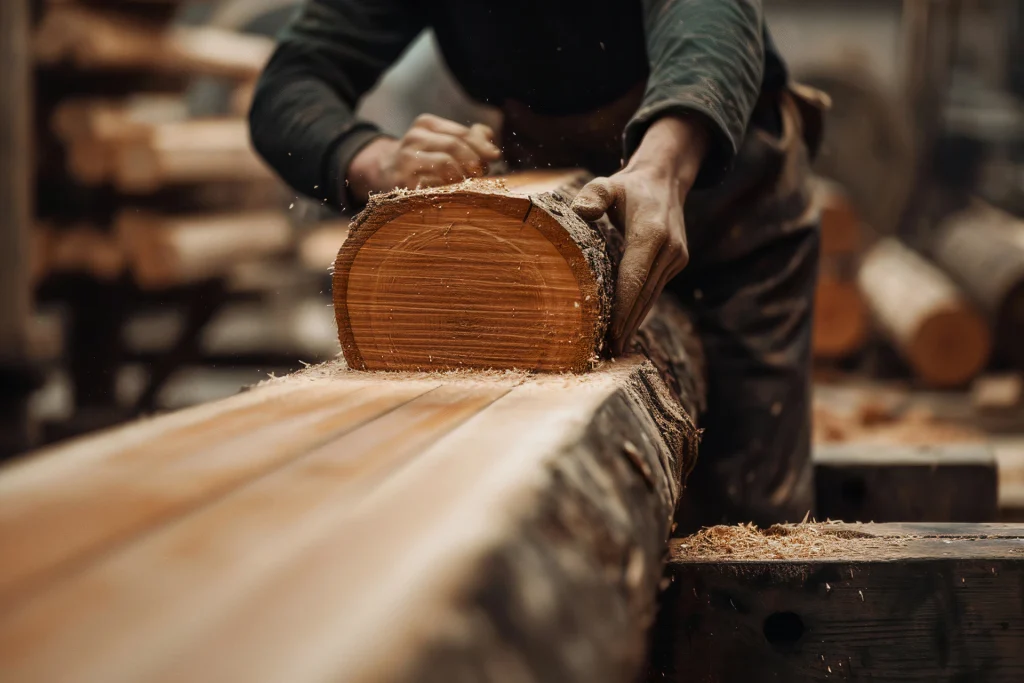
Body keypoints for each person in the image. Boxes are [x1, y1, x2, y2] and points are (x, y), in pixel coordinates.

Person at [249, 0, 828, 528]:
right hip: (556, 221)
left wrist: (663, 164)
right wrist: (374, 160)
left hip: (733, 217)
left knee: (753, 531)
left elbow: (710, 14)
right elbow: (290, 82)